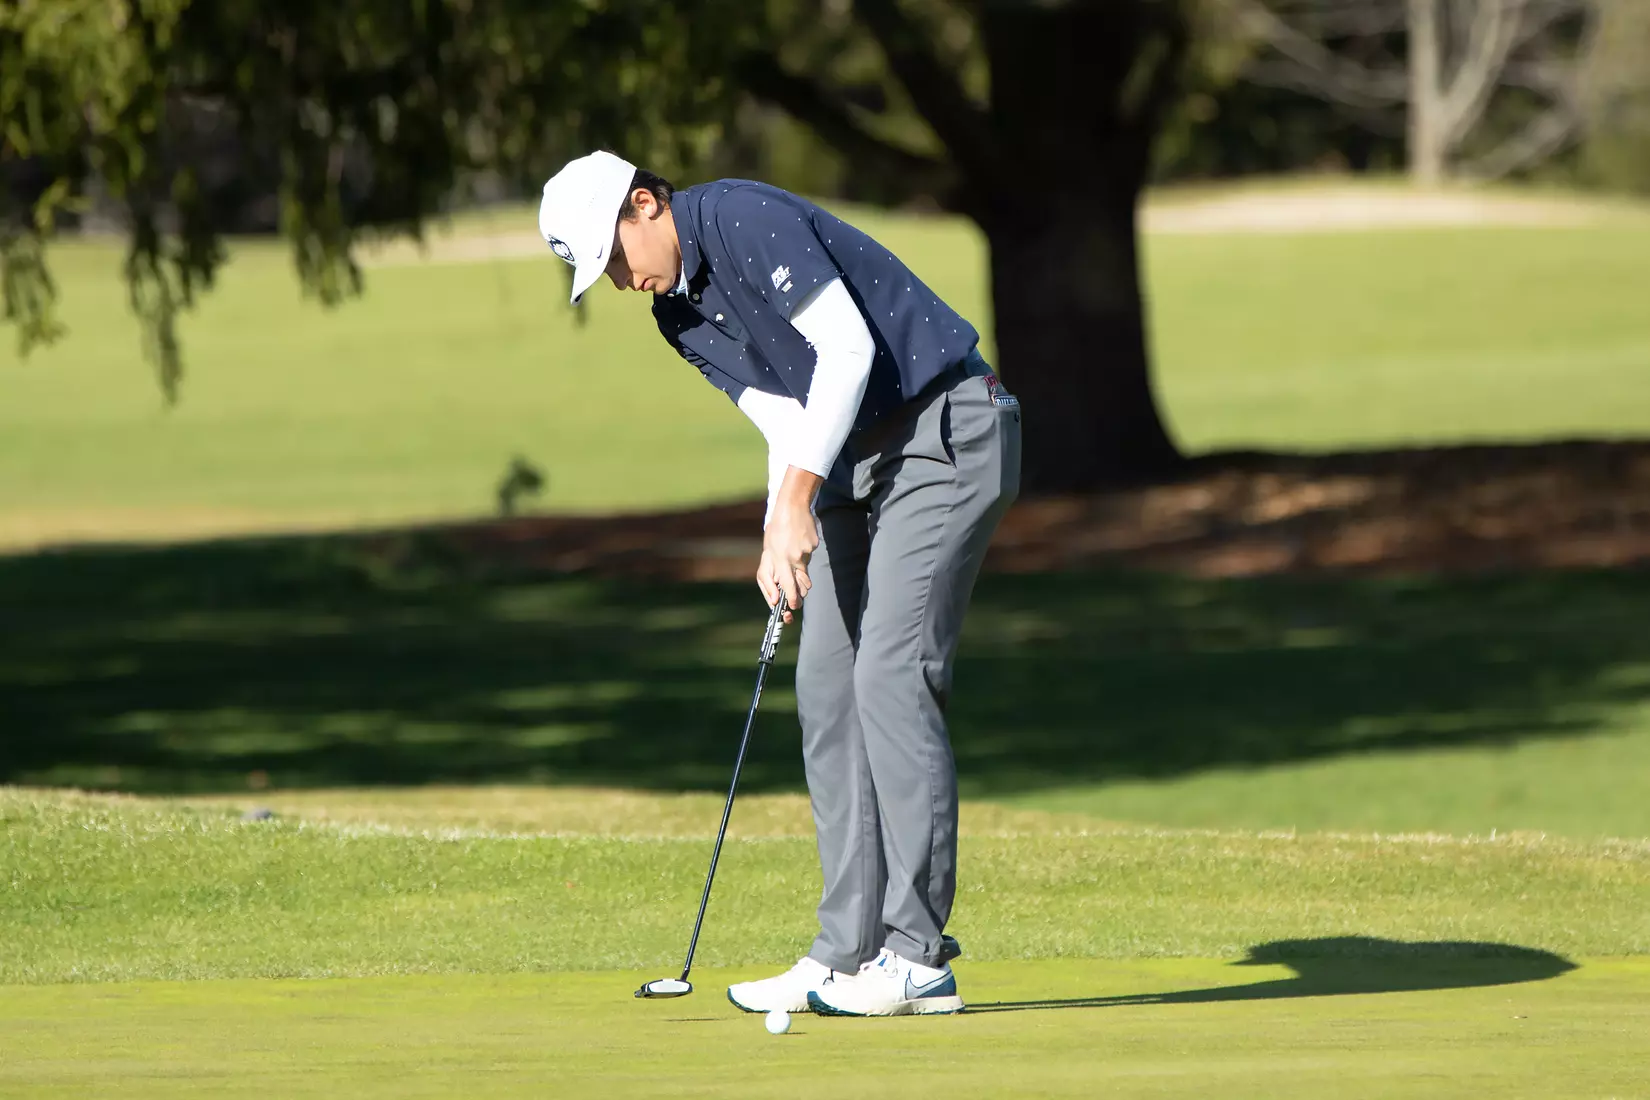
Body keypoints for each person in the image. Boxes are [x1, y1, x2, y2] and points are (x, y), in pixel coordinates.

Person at [537, 150, 1021, 1017]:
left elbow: (847, 351)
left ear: (644, 204)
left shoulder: (742, 218)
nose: (617, 282)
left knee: (890, 676)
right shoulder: (677, 318)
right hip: (846, 464)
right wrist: (777, 529)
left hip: (945, 432)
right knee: (828, 689)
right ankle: (847, 953)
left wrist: (797, 500)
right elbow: (786, 417)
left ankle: (918, 958)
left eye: (611, 258)